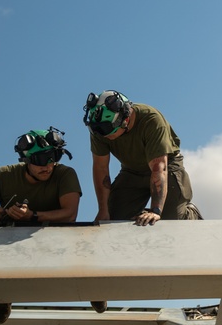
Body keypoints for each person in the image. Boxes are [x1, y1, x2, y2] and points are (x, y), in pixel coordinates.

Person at [0, 127, 83, 323]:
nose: (48, 166)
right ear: (26, 161)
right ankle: (5, 298)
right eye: (41, 160)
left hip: (58, 235)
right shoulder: (3, 176)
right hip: (13, 240)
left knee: (85, 253)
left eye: (54, 157)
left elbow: (70, 214)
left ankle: (94, 291)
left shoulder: (65, 174)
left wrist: (32, 216)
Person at [83, 90, 201, 226]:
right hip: (132, 171)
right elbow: (101, 168)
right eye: (99, 130)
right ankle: (139, 211)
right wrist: (103, 210)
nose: (104, 135)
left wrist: (156, 210)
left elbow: (159, 168)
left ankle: (189, 214)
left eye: (108, 129)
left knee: (169, 221)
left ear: (125, 119)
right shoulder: (99, 130)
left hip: (167, 166)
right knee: (112, 218)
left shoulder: (151, 120)